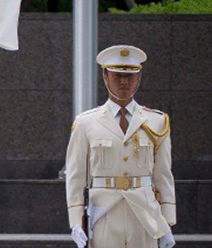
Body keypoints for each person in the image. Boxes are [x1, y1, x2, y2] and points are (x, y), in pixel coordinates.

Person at [65, 45, 176, 248]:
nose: (123, 82)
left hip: (145, 213)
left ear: (138, 78)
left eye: (130, 76)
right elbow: (75, 176)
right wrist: (75, 221)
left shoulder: (156, 122)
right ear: (105, 77)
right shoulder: (86, 123)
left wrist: (167, 220)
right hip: (104, 212)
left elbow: (163, 174)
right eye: (116, 75)